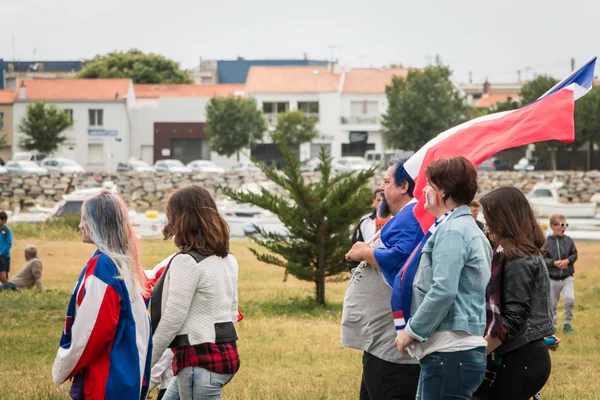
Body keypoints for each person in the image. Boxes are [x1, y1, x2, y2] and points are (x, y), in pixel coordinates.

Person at [394, 157, 492, 400]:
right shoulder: (467, 228)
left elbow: (443, 290)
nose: (424, 190)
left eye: (429, 185)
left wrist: (412, 331)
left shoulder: (452, 231)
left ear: (443, 192)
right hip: (455, 354)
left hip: (449, 354)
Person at [52, 191, 152, 400]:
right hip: (127, 371)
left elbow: (93, 331)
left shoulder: (105, 266)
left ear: (99, 222)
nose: (81, 225)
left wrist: (63, 365)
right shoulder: (124, 263)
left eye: (85, 219)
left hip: (107, 378)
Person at [342, 152, 424, 400]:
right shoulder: (405, 216)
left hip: (393, 347)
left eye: (386, 181)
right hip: (381, 343)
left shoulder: (411, 217)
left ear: (404, 186)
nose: (381, 186)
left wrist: (366, 253)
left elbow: (402, 258)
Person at [151, 185, 240, 400]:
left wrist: (147, 361)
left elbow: (173, 318)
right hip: (225, 357)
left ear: (182, 219)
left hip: (198, 363)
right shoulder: (228, 259)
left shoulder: (186, 261)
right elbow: (232, 310)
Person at [472, 187, 555, 400]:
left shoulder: (519, 258)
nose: (485, 222)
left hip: (521, 359)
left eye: (489, 216)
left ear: (505, 218)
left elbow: (514, 317)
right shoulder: (508, 252)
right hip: (516, 355)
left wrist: (478, 352)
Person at [544, 213, 578, 334]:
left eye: (566, 224)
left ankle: (567, 323)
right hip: (552, 278)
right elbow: (541, 257)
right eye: (562, 224)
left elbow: (574, 254)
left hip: (567, 277)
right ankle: (552, 325)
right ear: (553, 226)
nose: (564, 227)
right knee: (552, 304)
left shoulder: (569, 240)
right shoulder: (546, 241)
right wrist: (553, 263)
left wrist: (568, 261)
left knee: (570, 299)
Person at [347, 188, 390, 273]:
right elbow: (355, 244)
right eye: (378, 200)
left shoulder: (396, 219)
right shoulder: (365, 221)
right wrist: (353, 270)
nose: (381, 203)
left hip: (387, 265)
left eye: (384, 200)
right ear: (373, 202)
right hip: (367, 267)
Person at [0, 211, 12, 284]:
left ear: (5, 220)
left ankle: (7, 290)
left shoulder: (7, 230)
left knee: (4, 276)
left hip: (5, 256)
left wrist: (1, 252)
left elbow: (9, 243)